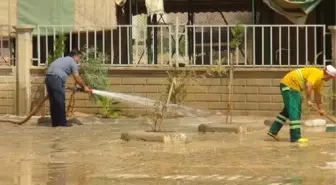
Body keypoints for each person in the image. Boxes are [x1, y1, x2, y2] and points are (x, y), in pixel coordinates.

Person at [268, 65, 336, 143]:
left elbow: (318, 95)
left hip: (289, 85)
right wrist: (309, 100)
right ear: (327, 74)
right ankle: (295, 137)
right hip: (290, 85)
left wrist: (320, 109)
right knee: (295, 110)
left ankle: (273, 130)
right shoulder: (317, 73)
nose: (330, 79)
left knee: (287, 110)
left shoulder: (320, 81)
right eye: (331, 77)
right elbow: (308, 85)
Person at [45, 49, 91, 127]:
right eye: (79, 58)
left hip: (48, 78)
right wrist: (84, 87)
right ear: (75, 56)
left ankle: (55, 123)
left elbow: (56, 71)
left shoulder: (62, 59)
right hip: (56, 78)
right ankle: (63, 122)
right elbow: (77, 77)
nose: (79, 60)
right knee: (60, 101)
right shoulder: (72, 62)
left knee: (54, 102)